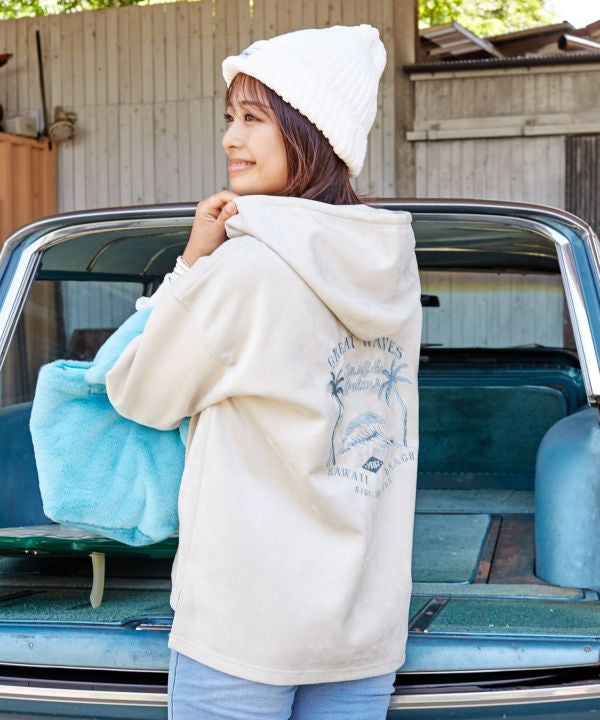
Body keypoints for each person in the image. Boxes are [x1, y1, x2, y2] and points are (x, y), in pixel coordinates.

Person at [105, 23, 422, 720]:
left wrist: (192, 261)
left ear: (311, 132)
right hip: (362, 628)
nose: (230, 139)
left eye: (253, 118)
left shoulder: (245, 268)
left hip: (244, 632)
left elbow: (138, 393)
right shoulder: (391, 267)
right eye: (230, 118)